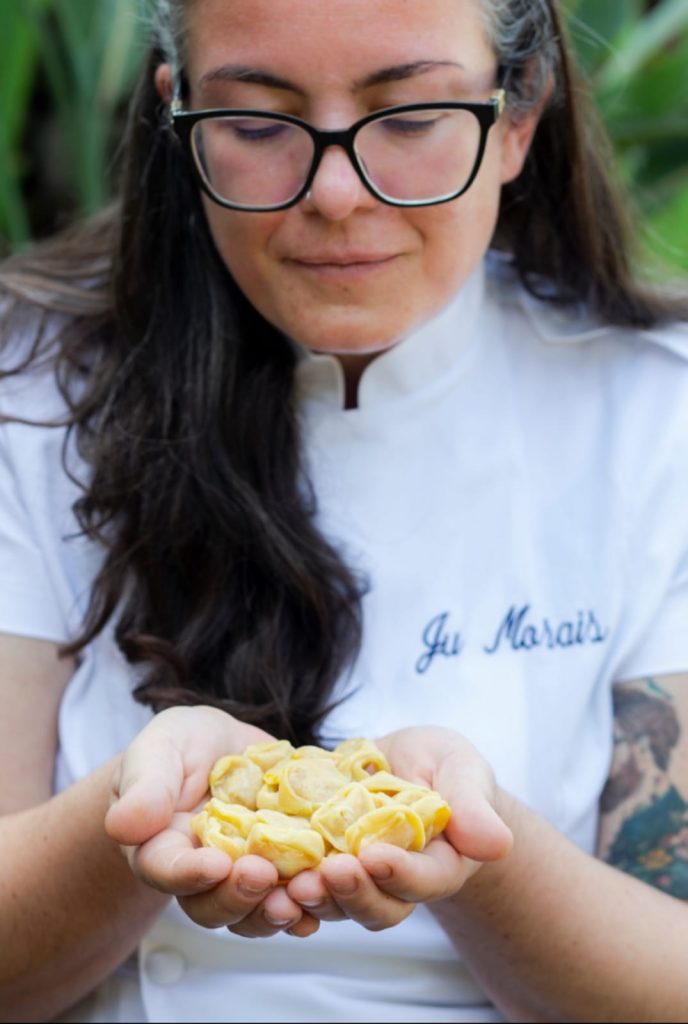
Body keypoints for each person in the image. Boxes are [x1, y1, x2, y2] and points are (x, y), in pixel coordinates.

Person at [1, 0, 688, 1020]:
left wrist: (476, 837)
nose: (334, 194)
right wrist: (130, 822)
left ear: (516, 117)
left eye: (409, 120)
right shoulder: (31, 392)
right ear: (177, 115)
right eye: (256, 123)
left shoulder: (652, 414)